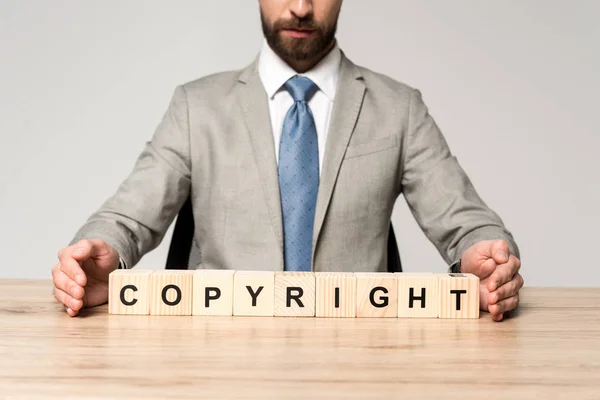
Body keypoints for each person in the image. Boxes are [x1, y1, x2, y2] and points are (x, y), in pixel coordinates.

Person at [51, 0, 523, 321]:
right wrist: (98, 254)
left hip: (360, 357)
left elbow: (469, 224)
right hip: (221, 359)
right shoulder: (198, 107)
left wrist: (485, 258)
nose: (300, 7)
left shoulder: (399, 107)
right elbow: (126, 217)